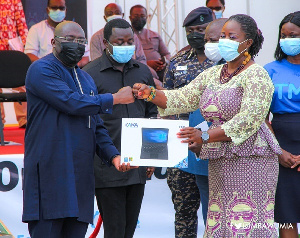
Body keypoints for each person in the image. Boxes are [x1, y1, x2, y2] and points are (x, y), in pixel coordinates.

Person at [133, 14, 281, 237]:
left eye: (232, 36)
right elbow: (181, 98)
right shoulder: (213, 74)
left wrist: (204, 136)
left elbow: (248, 120)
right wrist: (151, 93)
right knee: (219, 224)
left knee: (246, 226)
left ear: (247, 42)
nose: (224, 41)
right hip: (220, 160)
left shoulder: (256, 75)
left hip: (251, 159)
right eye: (222, 36)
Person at [22, 21, 135, 238]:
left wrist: (114, 157)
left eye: (81, 41)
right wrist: (114, 98)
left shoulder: (85, 78)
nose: (76, 45)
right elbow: (70, 102)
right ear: (54, 42)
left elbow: (96, 124)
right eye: (70, 40)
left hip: (80, 177)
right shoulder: (41, 69)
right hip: (50, 172)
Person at [83, 18, 157, 238]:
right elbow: (88, 118)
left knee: (129, 230)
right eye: (119, 41)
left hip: (138, 166)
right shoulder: (90, 73)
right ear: (106, 43)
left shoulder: (143, 73)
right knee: (114, 230)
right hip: (107, 165)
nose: (126, 46)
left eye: (129, 41)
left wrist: (152, 155)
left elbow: (150, 113)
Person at [162, 7, 215, 238]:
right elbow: (165, 102)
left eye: (201, 30)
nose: (195, 34)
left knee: (215, 209)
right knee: (183, 208)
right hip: (180, 143)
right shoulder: (177, 61)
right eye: (190, 30)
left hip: (214, 142)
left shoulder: (228, 62)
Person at [264, 11, 300, 238]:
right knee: (286, 217)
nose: (287, 40)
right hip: (281, 146)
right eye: (283, 36)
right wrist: (278, 151)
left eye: (293, 35)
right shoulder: (270, 70)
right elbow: (261, 117)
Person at [89, 3, 160, 85]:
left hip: (134, 73)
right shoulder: (97, 37)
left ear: (122, 15)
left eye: (130, 42)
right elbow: (97, 62)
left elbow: (141, 59)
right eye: (119, 43)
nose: (125, 45)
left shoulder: (133, 36)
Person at [24, 0, 89, 68]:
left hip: (70, 71)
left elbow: (85, 57)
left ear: (66, 10)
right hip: (45, 71)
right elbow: (30, 55)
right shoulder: (36, 29)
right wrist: (47, 66)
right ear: (47, 10)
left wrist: (74, 66)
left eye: (61, 8)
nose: (58, 11)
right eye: (54, 8)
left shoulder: (74, 29)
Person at [0, 0, 28, 128]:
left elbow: (21, 22)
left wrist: (26, 43)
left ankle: (23, 119)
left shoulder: (14, 0)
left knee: (20, 85)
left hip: (11, 47)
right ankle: (0, 120)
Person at [129, 4, 171, 82]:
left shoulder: (155, 35)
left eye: (142, 16)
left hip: (160, 70)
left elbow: (166, 54)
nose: (139, 18)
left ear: (147, 17)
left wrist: (164, 63)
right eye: (136, 15)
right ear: (130, 17)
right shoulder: (127, 36)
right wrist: (147, 64)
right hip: (139, 70)